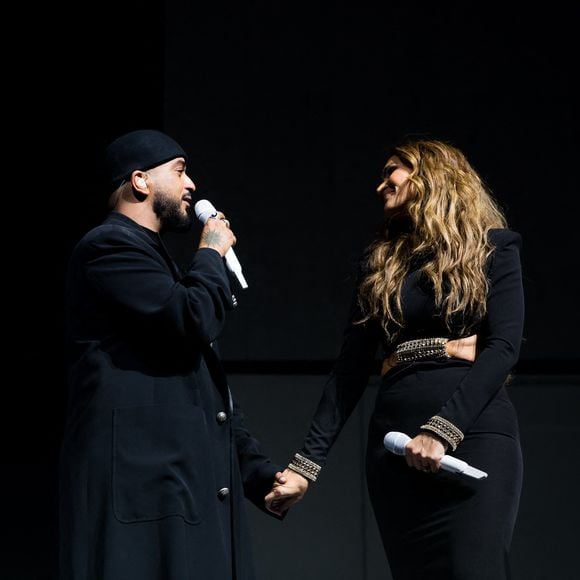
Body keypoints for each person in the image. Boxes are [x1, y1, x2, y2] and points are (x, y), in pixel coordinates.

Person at [265, 138, 525, 579]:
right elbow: (348, 371)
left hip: (474, 439)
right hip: (392, 452)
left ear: (432, 176)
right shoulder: (380, 264)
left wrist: (442, 431)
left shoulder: (494, 249)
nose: (380, 184)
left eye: (392, 172)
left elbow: (502, 348)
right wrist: (304, 466)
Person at [60, 129, 287, 580]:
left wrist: (256, 473)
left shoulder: (160, 263)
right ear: (141, 181)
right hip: (147, 493)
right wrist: (209, 252)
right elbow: (192, 319)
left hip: (181, 487)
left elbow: (204, 383)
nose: (191, 185)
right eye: (180, 171)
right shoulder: (107, 248)